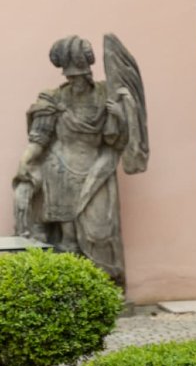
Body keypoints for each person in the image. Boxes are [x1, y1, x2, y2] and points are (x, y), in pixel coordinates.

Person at [13, 35, 147, 285]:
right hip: (60, 170)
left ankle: (107, 287)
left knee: (101, 231)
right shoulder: (53, 98)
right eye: (70, 76)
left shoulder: (106, 94)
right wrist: (26, 162)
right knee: (68, 239)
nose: (74, 80)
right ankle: (75, 291)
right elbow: (39, 138)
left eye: (79, 75)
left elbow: (114, 141)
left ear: (88, 72)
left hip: (97, 169)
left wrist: (119, 116)